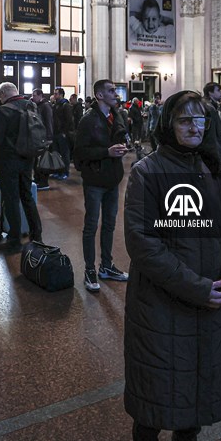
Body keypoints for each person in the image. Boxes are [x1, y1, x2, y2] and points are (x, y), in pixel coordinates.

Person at [123, 90, 221, 441]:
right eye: (185, 119)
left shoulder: (214, 170)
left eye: (201, 119)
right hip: (161, 305)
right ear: (169, 124)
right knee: (154, 400)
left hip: (212, 299)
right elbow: (142, 244)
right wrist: (197, 288)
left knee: (197, 396)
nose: (195, 127)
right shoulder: (146, 172)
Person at [74, 79, 131, 293]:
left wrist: (122, 147)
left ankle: (106, 265)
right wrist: (106, 152)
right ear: (99, 95)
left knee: (109, 224)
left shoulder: (116, 115)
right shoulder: (88, 120)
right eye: (110, 91)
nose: (115, 94)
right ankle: (90, 269)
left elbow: (122, 137)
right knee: (91, 226)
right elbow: (79, 154)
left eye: (115, 90)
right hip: (95, 180)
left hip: (113, 178)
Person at [0, 82, 44, 252]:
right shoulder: (31, 105)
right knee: (27, 196)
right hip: (27, 159)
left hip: (8, 161)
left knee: (11, 199)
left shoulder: (4, 110)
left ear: (3, 94)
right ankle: (37, 235)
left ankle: (14, 241)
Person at [31, 88, 54, 190]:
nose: (33, 97)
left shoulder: (45, 106)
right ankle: (37, 179)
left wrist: (49, 137)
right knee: (37, 160)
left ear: (40, 96)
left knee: (43, 160)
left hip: (45, 137)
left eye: (34, 95)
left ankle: (44, 181)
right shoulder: (38, 106)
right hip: (39, 137)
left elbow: (49, 122)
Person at [50, 87, 75, 180]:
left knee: (65, 154)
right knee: (56, 153)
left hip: (62, 134)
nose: (54, 95)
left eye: (56, 94)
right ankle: (58, 171)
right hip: (56, 133)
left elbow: (69, 120)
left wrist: (65, 132)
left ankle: (65, 172)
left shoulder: (65, 105)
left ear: (61, 95)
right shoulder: (56, 105)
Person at [201, 82, 221, 166]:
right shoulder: (209, 108)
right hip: (212, 151)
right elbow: (213, 134)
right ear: (210, 92)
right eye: (218, 90)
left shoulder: (210, 106)